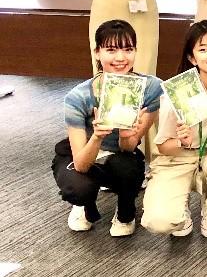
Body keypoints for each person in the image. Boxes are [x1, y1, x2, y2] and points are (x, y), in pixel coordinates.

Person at [53, 19, 162, 237]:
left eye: (128, 49)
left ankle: (125, 212)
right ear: (97, 52)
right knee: (78, 188)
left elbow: (129, 147)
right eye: (111, 50)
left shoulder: (151, 88)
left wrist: (126, 135)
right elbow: (81, 164)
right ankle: (84, 205)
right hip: (84, 153)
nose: (120, 58)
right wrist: (97, 137)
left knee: (128, 169)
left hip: (120, 154)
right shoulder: (78, 97)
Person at [142, 21, 207, 239]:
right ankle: (180, 209)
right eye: (203, 49)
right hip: (177, 159)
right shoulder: (178, 88)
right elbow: (163, 146)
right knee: (159, 221)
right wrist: (180, 141)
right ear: (192, 58)